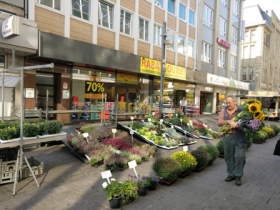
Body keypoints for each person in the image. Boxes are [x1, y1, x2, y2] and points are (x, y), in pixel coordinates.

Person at [217, 95, 247, 186]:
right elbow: (219, 122)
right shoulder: (224, 110)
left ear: (235, 102)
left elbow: (247, 123)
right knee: (228, 156)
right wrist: (228, 121)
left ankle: (238, 175)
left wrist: (239, 125)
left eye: (230, 102)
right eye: (227, 102)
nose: (228, 104)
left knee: (240, 157)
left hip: (240, 136)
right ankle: (231, 174)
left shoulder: (242, 111)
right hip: (228, 136)